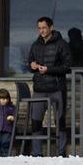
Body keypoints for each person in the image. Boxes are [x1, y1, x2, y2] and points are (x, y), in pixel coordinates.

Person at [23, 16, 69, 152]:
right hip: (39, 88)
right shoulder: (35, 45)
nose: (41, 31)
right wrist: (32, 65)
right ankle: (37, 153)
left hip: (57, 88)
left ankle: (61, 153)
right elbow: (29, 63)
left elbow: (67, 66)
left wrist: (49, 70)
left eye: (44, 27)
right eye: (39, 28)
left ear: (51, 27)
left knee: (59, 121)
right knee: (36, 121)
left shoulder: (62, 45)